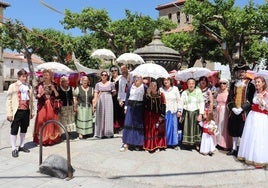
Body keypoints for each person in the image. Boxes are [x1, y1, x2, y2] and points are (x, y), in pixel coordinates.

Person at [237, 76, 268, 168]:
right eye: (256, 82)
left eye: (258, 82)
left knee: (259, 137)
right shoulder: (256, 92)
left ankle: (259, 159)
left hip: (261, 117)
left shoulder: (266, 93)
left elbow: (266, 108)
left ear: (263, 83)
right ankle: (249, 156)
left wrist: (262, 101)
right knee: (250, 136)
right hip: (252, 116)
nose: (257, 84)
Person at [226, 65, 255, 156]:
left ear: (245, 73)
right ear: (236, 73)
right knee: (234, 130)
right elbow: (230, 98)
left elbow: (250, 99)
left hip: (244, 112)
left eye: (242, 72)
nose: (241, 73)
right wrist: (233, 108)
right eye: (239, 72)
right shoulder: (233, 84)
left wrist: (242, 108)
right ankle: (234, 148)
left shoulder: (250, 85)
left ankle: (242, 150)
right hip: (234, 112)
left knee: (243, 131)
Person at [6, 69, 35, 157]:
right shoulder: (13, 86)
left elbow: (31, 100)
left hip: (26, 111)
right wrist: (9, 113)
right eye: (23, 76)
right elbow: (9, 100)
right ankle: (14, 148)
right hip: (17, 111)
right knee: (14, 129)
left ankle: (21, 146)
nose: (25, 78)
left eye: (26, 76)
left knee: (24, 128)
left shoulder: (29, 87)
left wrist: (32, 111)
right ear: (19, 77)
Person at [33, 69, 62, 146]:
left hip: (51, 105)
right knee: (41, 120)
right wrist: (41, 93)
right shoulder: (40, 85)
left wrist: (53, 89)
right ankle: (42, 138)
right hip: (42, 105)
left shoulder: (55, 84)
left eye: (47, 75)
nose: (45, 77)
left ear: (50, 76)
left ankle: (51, 138)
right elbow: (37, 97)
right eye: (44, 75)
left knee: (51, 120)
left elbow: (57, 96)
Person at [121, 75, 147, 151]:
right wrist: (125, 107)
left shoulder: (144, 87)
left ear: (142, 79)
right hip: (130, 107)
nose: (136, 79)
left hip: (139, 108)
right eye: (135, 78)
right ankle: (126, 143)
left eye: (138, 78)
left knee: (138, 126)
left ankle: (138, 144)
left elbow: (146, 98)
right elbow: (127, 97)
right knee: (128, 124)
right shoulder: (130, 87)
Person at [180, 78, 204, 150]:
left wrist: (201, 114)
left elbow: (201, 103)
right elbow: (181, 103)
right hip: (187, 112)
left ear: (195, 84)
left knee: (196, 129)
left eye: (192, 83)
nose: (191, 85)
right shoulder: (184, 92)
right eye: (189, 83)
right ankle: (187, 144)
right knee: (187, 128)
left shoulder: (198, 91)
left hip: (196, 112)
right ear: (187, 84)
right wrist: (180, 113)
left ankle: (197, 144)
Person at [143, 80, 166, 152]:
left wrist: (162, 115)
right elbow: (145, 105)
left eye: (155, 85)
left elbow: (163, 105)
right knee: (149, 131)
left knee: (157, 131)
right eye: (151, 85)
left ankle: (157, 145)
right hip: (149, 116)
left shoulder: (161, 94)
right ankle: (148, 146)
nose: (153, 87)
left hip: (157, 115)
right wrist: (147, 95)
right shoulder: (147, 95)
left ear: (157, 86)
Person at [159, 77, 182, 149]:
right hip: (164, 111)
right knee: (163, 128)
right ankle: (163, 143)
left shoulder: (175, 89)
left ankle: (173, 144)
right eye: (164, 80)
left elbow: (179, 100)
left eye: (167, 80)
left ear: (170, 81)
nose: (166, 81)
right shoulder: (160, 89)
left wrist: (179, 110)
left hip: (173, 111)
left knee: (173, 128)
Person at [92, 71, 116, 138]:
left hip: (108, 99)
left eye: (105, 75)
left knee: (108, 115)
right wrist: (95, 102)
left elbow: (114, 93)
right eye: (102, 75)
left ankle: (108, 133)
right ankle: (100, 133)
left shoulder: (111, 84)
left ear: (107, 76)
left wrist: (108, 96)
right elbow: (96, 93)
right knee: (100, 115)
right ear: (100, 76)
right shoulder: (97, 84)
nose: (104, 76)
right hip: (100, 99)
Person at [214, 78, 232, 150]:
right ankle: (217, 142)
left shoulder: (228, 93)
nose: (222, 85)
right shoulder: (218, 93)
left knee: (224, 127)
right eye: (220, 83)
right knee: (217, 126)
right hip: (217, 110)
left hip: (225, 111)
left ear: (227, 84)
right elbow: (215, 101)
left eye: (224, 83)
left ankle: (225, 144)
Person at [109, 66, 124, 133]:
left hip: (120, 97)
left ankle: (121, 126)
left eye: (115, 70)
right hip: (112, 97)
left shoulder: (121, 78)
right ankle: (115, 126)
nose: (114, 72)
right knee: (113, 111)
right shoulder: (110, 79)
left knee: (120, 111)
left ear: (118, 71)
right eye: (112, 71)